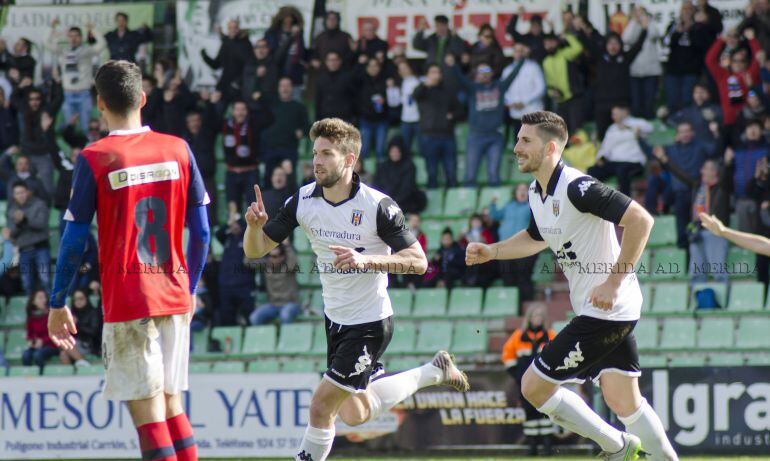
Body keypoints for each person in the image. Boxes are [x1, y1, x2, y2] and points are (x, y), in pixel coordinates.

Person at [243, 118, 469, 461]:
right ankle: (433, 371)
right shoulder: (303, 200)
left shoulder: (377, 205)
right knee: (355, 413)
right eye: (315, 153)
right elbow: (255, 250)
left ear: (349, 160)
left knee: (321, 407)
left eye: (327, 154)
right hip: (335, 320)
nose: (316, 161)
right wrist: (252, 228)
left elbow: (419, 262)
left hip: (370, 322)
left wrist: (367, 262)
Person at [465, 111, 678, 461]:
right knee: (625, 401)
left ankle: (617, 446)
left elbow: (641, 219)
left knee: (533, 386)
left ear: (550, 148)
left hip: (607, 309)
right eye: (518, 139)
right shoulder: (537, 192)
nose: (516, 147)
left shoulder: (578, 187)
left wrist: (613, 282)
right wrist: (493, 251)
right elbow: (536, 237)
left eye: (525, 140)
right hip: (604, 309)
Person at [47, 60, 211, 461]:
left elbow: (73, 239)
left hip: (130, 299)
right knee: (172, 407)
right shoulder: (179, 149)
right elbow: (203, 232)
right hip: (174, 296)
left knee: (149, 415)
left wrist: (57, 301)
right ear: (142, 98)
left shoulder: (95, 157)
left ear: (100, 103)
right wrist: (189, 290)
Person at [651, 150, 730, 284]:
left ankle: (722, 303)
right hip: (696, 231)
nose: (702, 171)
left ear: (715, 172)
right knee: (697, 273)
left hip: (714, 232)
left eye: (706, 169)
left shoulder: (722, 187)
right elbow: (681, 175)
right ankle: (699, 300)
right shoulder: (698, 186)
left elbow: (726, 176)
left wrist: (727, 164)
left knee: (718, 271)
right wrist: (665, 160)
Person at [502, 303, 556, 455]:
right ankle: (532, 446)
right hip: (525, 383)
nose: (537, 319)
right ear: (529, 318)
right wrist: (517, 375)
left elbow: (558, 356)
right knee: (529, 413)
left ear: (544, 319)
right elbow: (507, 356)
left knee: (545, 411)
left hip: (545, 382)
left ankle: (547, 446)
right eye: (534, 315)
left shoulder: (550, 335)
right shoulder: (518, 336)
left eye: (540, 316)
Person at [45, 19, 106, 133]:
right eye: (70, 36)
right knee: (69, 127)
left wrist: (92, 29)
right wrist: (51, 27)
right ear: (67, 38)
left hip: (84, 93)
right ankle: (73, 150)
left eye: (76, 36)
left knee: (86, 127)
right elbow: (46, 43)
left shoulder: (87, 51)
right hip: (68, 94)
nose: (73, 38)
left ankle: (86, 150)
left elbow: (102, 44)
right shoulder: (63, 51)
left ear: (81, 37)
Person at [413, 65, 461, 188]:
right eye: (432, 72)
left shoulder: (448, 91)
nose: (435, 75)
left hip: (447, 136)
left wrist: (452, 116)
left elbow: (460, 111)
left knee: (451, 171)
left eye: (438, 72)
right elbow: (415, 96)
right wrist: (425, 84)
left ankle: (452, 200)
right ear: (427, 75)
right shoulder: (423, 90)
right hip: (429, 136)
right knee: (431, 171)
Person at [588, 105, 652, 196]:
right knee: (593, 170)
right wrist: (600, 158)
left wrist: (628, 126)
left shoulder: (637, 122)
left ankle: (625, 203)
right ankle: (594, 198)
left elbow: (649, 128)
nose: (613, 116)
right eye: (613, 114)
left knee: (622, 170)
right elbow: (605, 148)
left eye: (616, 114)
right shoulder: (612, 128)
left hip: (633, 161)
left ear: (625, 112)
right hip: (615, 162)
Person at [488, 183, 537, 300]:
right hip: (505, 247)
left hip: (523, 247)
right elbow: (495, 216)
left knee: (523, 276)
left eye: (525, 189)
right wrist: (492, 204)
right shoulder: (508, 205)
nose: (522, 191)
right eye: (520, 189)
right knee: (507, 276)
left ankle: (525, 303)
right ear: (515, 193)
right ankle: (510, 303)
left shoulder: (532, 206)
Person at [8, 181, 50, 294]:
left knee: (45, 280)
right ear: (13, 195)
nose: (20, 195)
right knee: (27, 283)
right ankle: (30, 309)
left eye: (22, 192)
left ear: (28, 192)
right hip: (24, 250)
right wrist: (18, 223)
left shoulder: (39, 204)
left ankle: (52, 310)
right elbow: (11, 233)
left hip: (40, 248)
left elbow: (41, 224)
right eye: (17, 193)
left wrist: (24, 220)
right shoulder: (12, 210)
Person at [249, 243, 300, 325]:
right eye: (271, 256)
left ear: (283, 256)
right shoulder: (266, 266)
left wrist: (287, 246)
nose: (274, 259)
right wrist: (254, 241)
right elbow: (247, 261)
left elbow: (293, 263)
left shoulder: (289, 267)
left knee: (285, 315)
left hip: (291, 304)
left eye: (277, 256)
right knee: (254, 317)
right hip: (273, 305)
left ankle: (286, 337)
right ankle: (264, 337)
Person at [373, 137, 426, 215]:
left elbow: (407, 187)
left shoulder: (409, 166)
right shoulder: (383, 167)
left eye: (397, 151)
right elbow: (377, 185)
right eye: (392, 151)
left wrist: (394, 202)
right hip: (385, 202)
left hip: (403, 202)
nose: (395, 154)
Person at [22, 289, 59, 371]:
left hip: (52, 345)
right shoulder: (31, 317)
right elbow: (30, 334)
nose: (44, 300)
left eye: (44, 297)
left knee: (37, 355)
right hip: (38, 345)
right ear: (33, 301)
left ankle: (41, 379)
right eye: (40, 298)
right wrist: (31, 341)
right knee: (25, 355)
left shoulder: (51, 314)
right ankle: (27, 378)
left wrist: (43, 341)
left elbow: (55, 333)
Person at [71, 288, 103, 357]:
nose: (78, 301)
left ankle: (82, 362)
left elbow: (93, 332)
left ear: (86, 299)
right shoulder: (72, 313)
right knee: (63, 354)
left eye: (81, 298)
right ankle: (82, 363)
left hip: (88, 344)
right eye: (75, 299)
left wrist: (77, 323)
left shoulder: (93, 312)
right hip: (75, 343)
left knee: (66, 347)